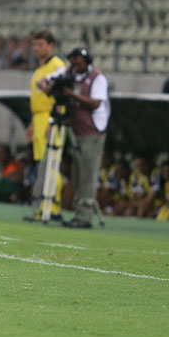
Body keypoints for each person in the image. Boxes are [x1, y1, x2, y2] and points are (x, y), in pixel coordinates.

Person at [60, 47, 110, 228]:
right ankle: (78, 213)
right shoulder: (71, 75)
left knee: (88, 174)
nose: (76, 67)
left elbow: (96, 103)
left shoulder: (97, 78)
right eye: (73, 63)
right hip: (76, 130)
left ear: (87, 62)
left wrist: (72, 95)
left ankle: (85, 216)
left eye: (79, 63)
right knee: (77, 175)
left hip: (91, 132)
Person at [24, 30, 67, 222]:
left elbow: (61, 95)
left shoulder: (57, 67)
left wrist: (54, 120)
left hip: (50, 118)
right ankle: (43, 206)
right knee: (42, 164)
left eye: (41, 44)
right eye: (35, 44)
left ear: (51, 45)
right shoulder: (39, 69)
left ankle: (53, 206)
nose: (37, 48)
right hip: (39, 118)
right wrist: (32, 123)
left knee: (51, 162)